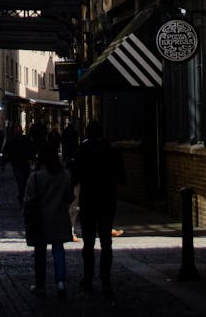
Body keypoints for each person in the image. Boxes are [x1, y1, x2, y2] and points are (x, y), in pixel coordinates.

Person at [69, 120, 126, 297]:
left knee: (88, 242)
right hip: (107, 201)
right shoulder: (112, 151)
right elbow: (122, 177)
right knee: (106, 243)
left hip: (89, 200)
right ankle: (106, 279)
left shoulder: (82, 151)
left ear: (87, 133)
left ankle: (88, 278)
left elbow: (74, 177)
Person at [23, 138, 74, 299]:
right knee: (59, 250)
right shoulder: (65, 175)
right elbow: (70, 197)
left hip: (41, 220)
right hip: (59, 218)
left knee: (40, 252)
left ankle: (40, 285)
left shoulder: (36, 177)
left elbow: (28, 200)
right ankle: (60, 282)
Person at [3, 122, 34, 205]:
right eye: (17, 130)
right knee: (21, 182)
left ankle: (23, 195)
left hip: (25, 163)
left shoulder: (25, 139)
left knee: (25, 181)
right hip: (17, 164)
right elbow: (6, 151)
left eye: (19, 130)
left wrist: (31, 158)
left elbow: (31, 149)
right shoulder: (12, 140)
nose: (18, 131)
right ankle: (22, 196)